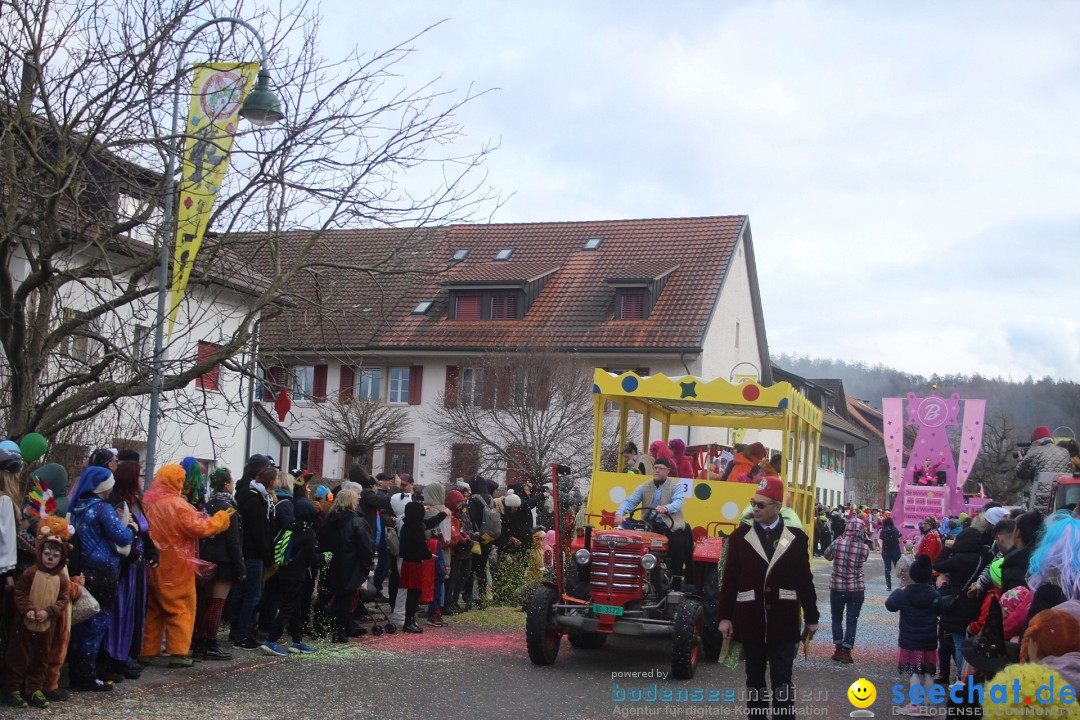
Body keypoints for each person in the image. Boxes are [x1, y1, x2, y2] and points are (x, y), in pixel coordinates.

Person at [717, 475, 819, 719]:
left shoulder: (796, 538)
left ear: (777, 507)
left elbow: (805, 580)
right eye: (754, 503)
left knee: (782, 680)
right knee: (754, 680)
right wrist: (724, 617)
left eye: (761, 505)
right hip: (750, 620)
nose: (755, 509)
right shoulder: (739, 537)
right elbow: (729, 581)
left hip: (783, 623)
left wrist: (812, 616)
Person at [140, 465, 230, 668]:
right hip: (176, 566)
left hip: (153, 564)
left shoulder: (149, 504)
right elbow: (201, 527)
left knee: (153, 609)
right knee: (181, 608)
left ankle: (146, 650)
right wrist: (222, 519)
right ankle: (178, 652)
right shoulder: (177, 505)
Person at [68, 465, 135, 691]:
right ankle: (86, 675)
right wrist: (132, 529)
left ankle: (76, 671)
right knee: (96, 625)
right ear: (104, 487)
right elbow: (122, 536)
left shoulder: (75, 507)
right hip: (103, 572)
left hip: (81, 573)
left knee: (80, 623)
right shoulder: (103, 509)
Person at [2, 519, 71, 709]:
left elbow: (63, 601)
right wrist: (29, 610)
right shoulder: (31, 573)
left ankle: (34, 689)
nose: (50, 558)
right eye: (47, 554)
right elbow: (20, 593)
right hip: (24, 623)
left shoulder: (62, 579)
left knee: (40, 659)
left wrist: (49, 612)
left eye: (55, 555)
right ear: (40, 554)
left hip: (46, 625)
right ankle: (12, 689)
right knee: (18, 657)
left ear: (61, 558)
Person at [103, 460, 157, 678]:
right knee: (121, 611)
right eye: (141, 475)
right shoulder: (117, 502)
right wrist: (133, 551)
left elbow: (145, 531)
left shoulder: (136, 501)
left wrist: (153, 552)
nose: (144, 480)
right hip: (125, 565)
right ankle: (114, 656)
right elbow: (117, 535)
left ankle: (126, 653)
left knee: (134, 611)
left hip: (139, 566)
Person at [260, 499, 321, 656]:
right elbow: (311, 557)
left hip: (283, 572)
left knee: (295, 608)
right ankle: (271, 640)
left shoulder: (288, 527)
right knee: (287, 608)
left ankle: (297, 641)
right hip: (297, 574)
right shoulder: (307, 531)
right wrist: (324, 557)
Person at [614, 457, 689, 585]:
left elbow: (678, 502)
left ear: (668, 471)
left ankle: (675, 579)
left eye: (661, 469)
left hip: (669, 525)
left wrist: (666, 508)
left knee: (677, 543)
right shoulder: (645, 486)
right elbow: (630, 501)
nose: (657, 471)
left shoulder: (676, 485)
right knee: (630, 538)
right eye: (655, 468)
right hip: (649, 525)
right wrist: (619, 513)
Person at [195, 468, 244, 661]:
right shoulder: (229, 508)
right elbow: (234, 541)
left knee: (207, 603)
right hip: (225, 561)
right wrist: (240, 568)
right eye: (231, 482)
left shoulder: (207, 505)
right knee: (217, 603)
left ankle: (200, 642)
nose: (233, 485)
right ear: (226, 484)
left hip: (207, 558)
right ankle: (211, 643)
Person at [884, 554, 940, 717]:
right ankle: (928, 706)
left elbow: (890, 605)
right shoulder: (933, 594)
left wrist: (899, 590)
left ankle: (915, 705)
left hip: (910, 640)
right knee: (929, 672)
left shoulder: (904, 593)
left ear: (912, 575)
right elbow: (941, 608)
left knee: (914, 672)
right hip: (929, 640)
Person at [231, 456, 276, 650]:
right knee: (252, 595)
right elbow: (258, 530)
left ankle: (238, 631)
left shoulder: (247, 492)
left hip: (249, 551)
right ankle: (243, 635)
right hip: (253, 553)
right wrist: (268, 557)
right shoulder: (252, 496)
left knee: (243, 594)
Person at [317, 489, 373, 643]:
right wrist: (368, 566)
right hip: (350, 564)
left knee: (328, 596)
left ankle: (322, 625)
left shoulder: (328, 519)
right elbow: (365, 546)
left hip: (330, 562)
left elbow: (321, 539)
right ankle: (340, 631)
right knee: (345, 599)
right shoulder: (356, 521)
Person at [824, 516, 869, 664]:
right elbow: (863, 559)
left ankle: (837, 649)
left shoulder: (837, 543)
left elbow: (827, 556)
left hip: (837, 587)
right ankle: (847, 652)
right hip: (856, 588)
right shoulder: (864, 548)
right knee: (852, 620)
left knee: (836, 618)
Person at [880, 516, 902, 591]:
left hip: (886, 551)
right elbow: (900, 536)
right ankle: (901, 583)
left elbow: (881, 540)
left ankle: (889, 586)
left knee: (887, 568)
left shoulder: (883, 531)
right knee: (898, 567)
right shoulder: (895, 530)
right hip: (895, 550)